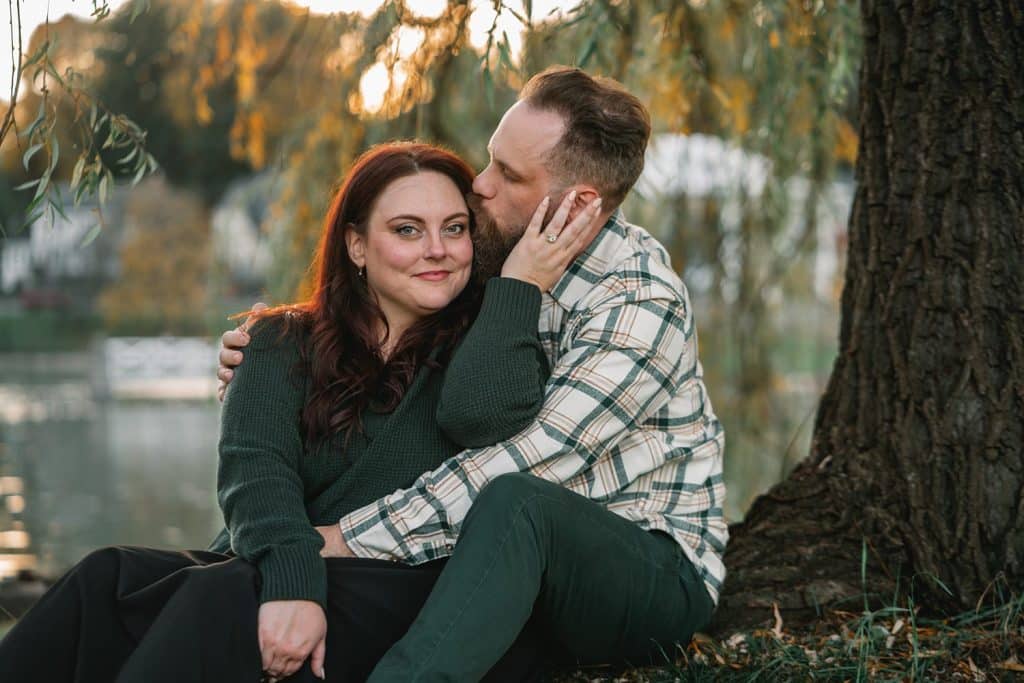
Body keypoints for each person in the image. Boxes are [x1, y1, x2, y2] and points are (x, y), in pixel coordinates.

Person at [0, 141, 604, 683]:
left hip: (417, 587)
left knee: (221, 597)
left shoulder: (492, 344)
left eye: (454, 228)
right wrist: (295, 584)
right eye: (408, 230)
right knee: (106, 580)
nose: (439, 251)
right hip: (283, 562)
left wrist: (520, 287)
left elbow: (487, 421)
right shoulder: (280, 341)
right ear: (357, 245)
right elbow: (254, 476)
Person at [219, 66, 727, 681]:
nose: (478, 187)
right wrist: (271, 360)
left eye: (509, 175)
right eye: (491, 159)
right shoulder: (496, 250)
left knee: (519, 502)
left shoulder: (639, 303)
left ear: (580, 203)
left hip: (645, 568)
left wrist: (346, 540)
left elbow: (529, 461)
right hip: (504, 563)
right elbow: (398, 332)